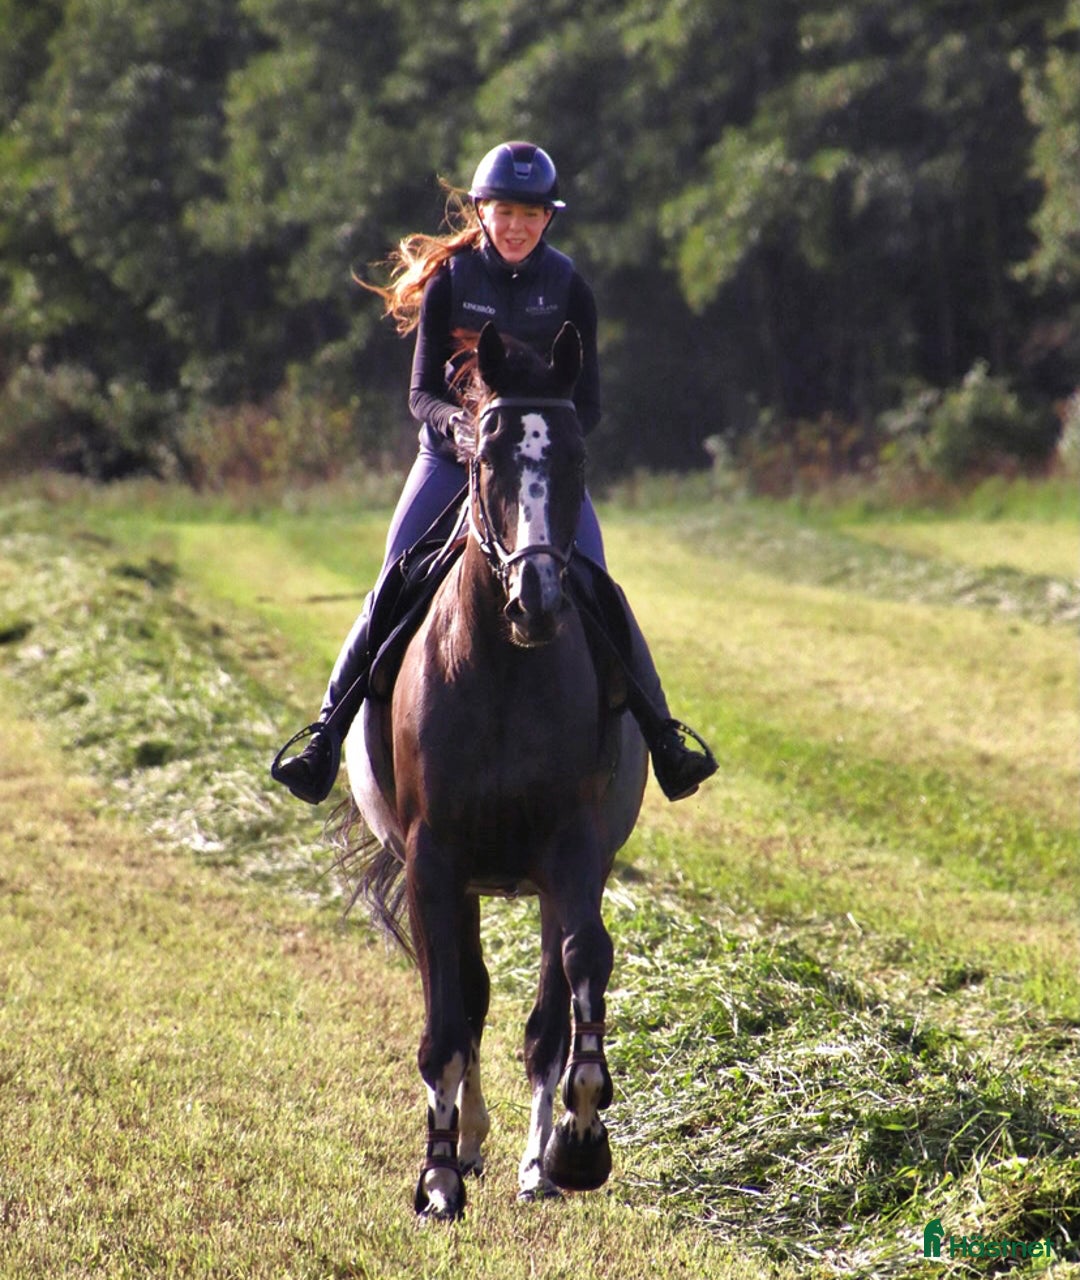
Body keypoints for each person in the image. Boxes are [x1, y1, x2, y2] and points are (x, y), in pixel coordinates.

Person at [272, 141, 717, 805]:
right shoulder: (452, 284)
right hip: (450, 461)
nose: (517, 225)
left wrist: (543, 445)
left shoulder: (569, 287)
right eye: (505, 210)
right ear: (482, 212)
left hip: (534, 466)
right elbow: (421, 393)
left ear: (548, 220)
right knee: (395, 577)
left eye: (531, 213)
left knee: (598, 586)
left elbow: (588, 402)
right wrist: (464, 431)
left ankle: (664, 738)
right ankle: (325, 737)